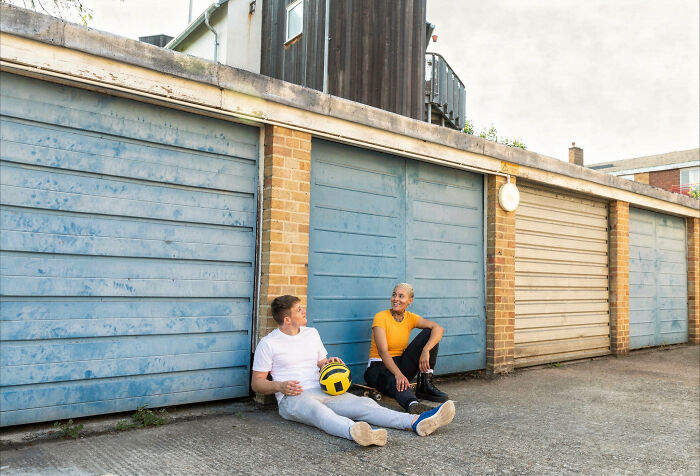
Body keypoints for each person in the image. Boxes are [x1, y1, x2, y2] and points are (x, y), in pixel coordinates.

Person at [251, 295, 455, 447]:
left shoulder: (311, 333)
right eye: (298, 309)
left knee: (364, 404)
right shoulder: (268, 344)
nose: (304, 311)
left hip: (323, 390)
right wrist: (280, 386)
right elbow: (257, 383)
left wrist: (329, 363)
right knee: (319, 413)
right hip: (293, 398)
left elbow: (320, 362)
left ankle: (415, 421)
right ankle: (356, 432)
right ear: (287, 319)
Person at [364, 283, 449, 414]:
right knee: (394, 380)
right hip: (379, 366)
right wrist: (398, 374)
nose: (396, 299)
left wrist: (426, 350)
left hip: (400, 363)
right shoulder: (380, 317)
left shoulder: (410, 317)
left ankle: (425, 384)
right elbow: (382, 351)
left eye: (401, 296)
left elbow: (439, 328)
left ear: (410, 300)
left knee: (429, 334)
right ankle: (413, 405)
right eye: (394, 295)